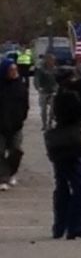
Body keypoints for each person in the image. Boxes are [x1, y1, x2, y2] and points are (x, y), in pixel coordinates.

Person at [46, 68, 81, 239]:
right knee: (78, 185)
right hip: (69, 144)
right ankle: (74, 226)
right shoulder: (67, 95)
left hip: (60, 143)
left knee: (62, 184)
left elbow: (71, 117)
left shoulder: (59, 96)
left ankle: (60, 225)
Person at [0, 57, 30, 192]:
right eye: (11, 70)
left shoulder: (20, 86)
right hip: (1, 126)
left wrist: (22, 117)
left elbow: (25, 104)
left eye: (15, 69)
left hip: (16, 125)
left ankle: (10, 173)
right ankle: (3, 178)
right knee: (0, 152)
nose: (14, 72)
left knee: (16, 150)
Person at [33, 53, 58, 131]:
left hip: (53, 91)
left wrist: (57, 87)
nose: (52, 62)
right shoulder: (41, 69)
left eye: (53, 60)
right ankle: (44, 124)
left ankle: (50, 123)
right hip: (44, 91)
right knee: (43, 109)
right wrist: (38, 87)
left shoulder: (55, 69)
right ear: (47, 60)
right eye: (50, 60)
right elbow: (36, 79)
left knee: (52, 109)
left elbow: (58, 80)